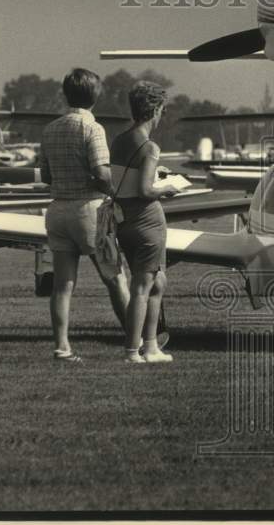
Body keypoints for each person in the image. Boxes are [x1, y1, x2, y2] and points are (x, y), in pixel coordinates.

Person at [39, 68, 130, 362]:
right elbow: (102, 174)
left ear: (66, 95)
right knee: (115, 277)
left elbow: (46, 175)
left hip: (57, 210)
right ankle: (135, 339)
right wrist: (117, 189)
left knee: (63, 285)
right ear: (96, 96)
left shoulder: (50, 129)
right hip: (89, 210)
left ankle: (62, 346)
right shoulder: (93, 128)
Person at [111, 81, 181, 364]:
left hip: (125, 221)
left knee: (157, 282)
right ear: (154, 110)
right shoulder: (150, 146)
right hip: (147, 222)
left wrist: (155, 174)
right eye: (161, 110)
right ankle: (133, 350)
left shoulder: (119, 141)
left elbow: (121, 180)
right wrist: (167, 188)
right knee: (142, 286)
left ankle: (151, 346)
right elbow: (145, 191)